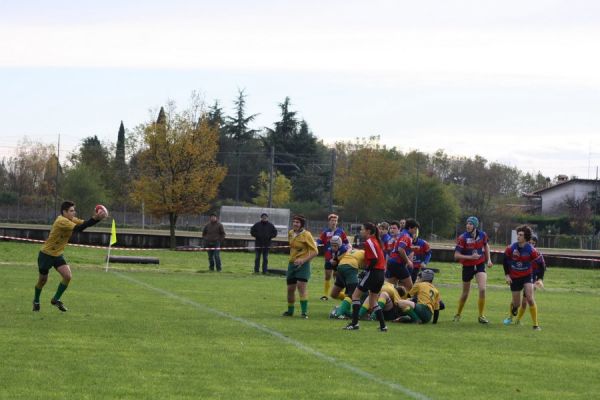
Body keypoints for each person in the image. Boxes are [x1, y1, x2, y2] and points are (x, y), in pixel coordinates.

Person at [33, 201, 107, 312]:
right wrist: (96, 217)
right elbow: (79, 228)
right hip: (46, 255)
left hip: (57, 254)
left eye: (74, 210)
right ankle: (36, 300)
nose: (74, 212)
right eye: (71, 211)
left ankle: (55, 299)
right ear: (64, 212)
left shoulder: (71, 219)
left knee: (67, 276)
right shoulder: (61, 221)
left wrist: (97, 218)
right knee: (42, 280)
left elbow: (84, 224)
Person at [344, 222, 388, 332]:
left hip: (374, 273)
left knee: (355, 296)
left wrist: (365, 271)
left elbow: (374, 259)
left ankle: (354, 324)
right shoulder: (376, 240)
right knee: (373, 301)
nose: (361, 231)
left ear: (368, 231)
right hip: (381, 274)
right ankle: (383, 326)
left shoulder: (369, 241)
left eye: (362, 229)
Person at [453, 216, 493, 324]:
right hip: (467, 267)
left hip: (480, 264)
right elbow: (456, 255)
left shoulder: (482, 235)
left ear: (475, 225)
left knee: (482, 289)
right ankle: (458, 314)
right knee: (465, 293)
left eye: (470, 224)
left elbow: (486, 245)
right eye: (467, 223)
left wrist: (489, 259)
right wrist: (470, 257)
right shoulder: (462, 238)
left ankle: (481, 316)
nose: (468, 225)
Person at [502, 226, 542, 330]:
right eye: (518, 234)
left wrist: (539, 279)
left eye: (521, 235)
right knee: (517, 303)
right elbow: (505, 261)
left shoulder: (531, 250)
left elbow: (540, 264)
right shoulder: (511, 248)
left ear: (526, 237)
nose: (518, 237)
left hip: (527, 276)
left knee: (530, 298)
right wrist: (507, 275)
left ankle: (536, 325)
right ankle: (514, 309)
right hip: (514, 277)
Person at [283, 215, 318, 318]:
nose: (295, 224)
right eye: (294, 222)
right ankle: (290, 311)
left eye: (297, 222)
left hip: (303, 265)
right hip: (292, 264)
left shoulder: (307, 235)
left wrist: (303, 260)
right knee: (290, 289)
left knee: (301, 286)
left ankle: (304, 312)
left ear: (302, 224)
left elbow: (315, 251)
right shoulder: (290, 233)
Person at [512, 235, 547, 324]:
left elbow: (542, 268)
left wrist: (540, 279)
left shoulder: (538, 255)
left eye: (533, 243)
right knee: (516, 301)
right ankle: (510, 316)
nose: (531, 244)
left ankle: (520, 320)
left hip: (531, 280)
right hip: (519, 277)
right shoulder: (520, 252)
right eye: (530, 242)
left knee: (526, 301)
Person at [328, 236, 365, 318]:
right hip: (349, 268)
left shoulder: (350, 251)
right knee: (353, 294)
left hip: (340, 268)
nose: (333, 247)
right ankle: (339, 313)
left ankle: (345, 307)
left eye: (335, 245)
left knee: (334, 294)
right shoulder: (364, 253)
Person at [316, 214, 349, 301]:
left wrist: (348, 249)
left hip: (339, 258)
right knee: (327, 276)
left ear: (337, 222)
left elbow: (347, 242)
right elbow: (319, 241)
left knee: (337, 276)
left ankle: (339, 294)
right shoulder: (325, 232)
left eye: (335, 221)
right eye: (332, 221)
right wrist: (314, 244)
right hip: (328, 257)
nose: (333, 222)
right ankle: (325, 295)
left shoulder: (341, 232)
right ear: (329, 222)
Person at [385, 218, 419, 292]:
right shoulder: (406, 236)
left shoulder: (403, 234)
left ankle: (383, 300)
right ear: (410, 228)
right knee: (410, 286)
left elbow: (401, 247)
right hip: (397, 263)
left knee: (389, 287)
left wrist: (412, 248)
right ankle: (404, 302)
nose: (415, 231)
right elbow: (400, 249)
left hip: (392, 262)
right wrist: (408, 261)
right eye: (415, 229)